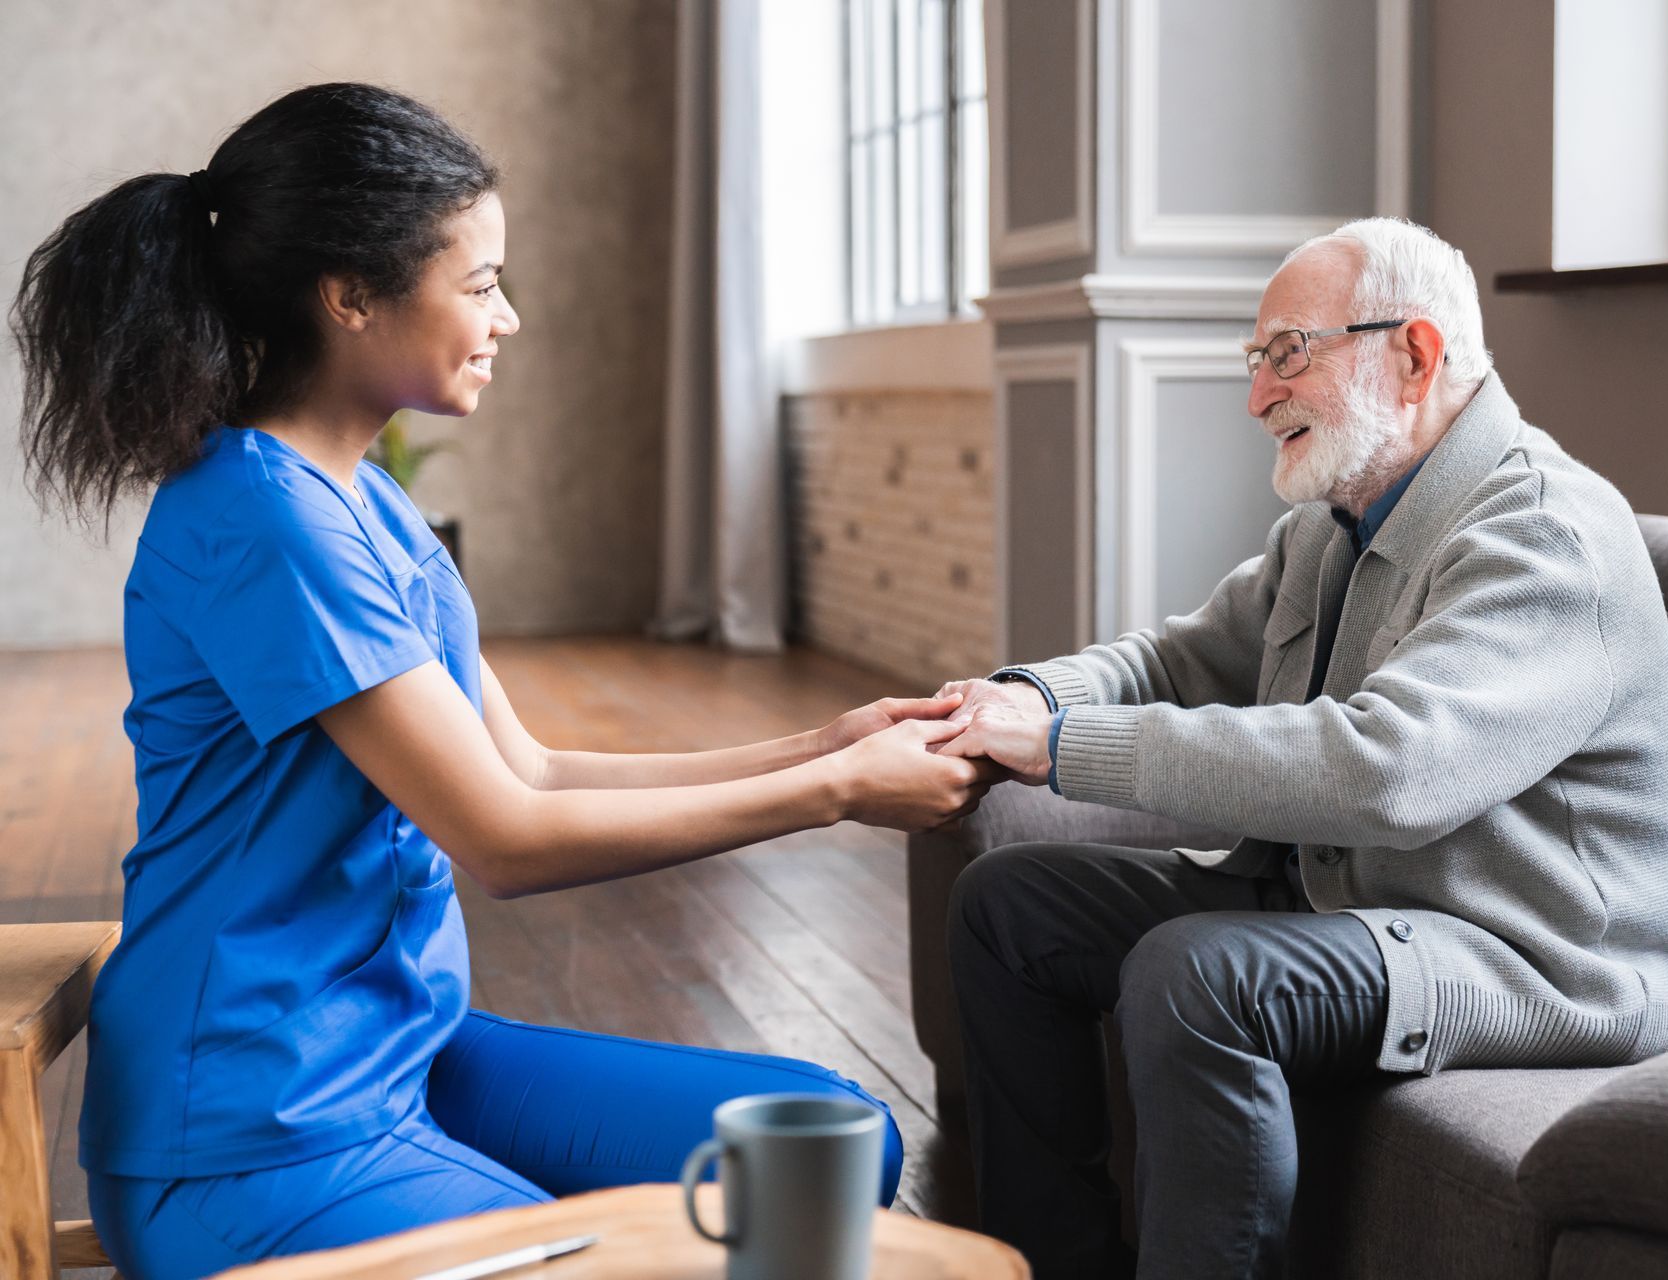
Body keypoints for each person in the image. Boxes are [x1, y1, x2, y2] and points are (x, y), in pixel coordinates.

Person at [10, 82, 997, 1279]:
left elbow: (526, 763)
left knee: (838, 1137)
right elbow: (509, 835)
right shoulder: (265, 520)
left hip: (397, 1052)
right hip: (251, 1132)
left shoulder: (364, 494)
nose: (507, 317)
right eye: (477, 284)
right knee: (641, 1254)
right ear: (351, 294)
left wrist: (823, 743)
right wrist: (836, 795)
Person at [934, 217, 1668, 1279]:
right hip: (1346, 905)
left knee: (1196, 973)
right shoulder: (1335, 521)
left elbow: (1387, 771)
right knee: (1006, 906)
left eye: (1289, 352)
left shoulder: (1542, 532)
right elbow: (1178, 659)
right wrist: (1014, 698)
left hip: (1518, 954)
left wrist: (1060, 745)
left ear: (1415, 355)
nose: (1257, 395)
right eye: (1257, 359)